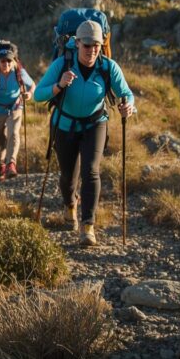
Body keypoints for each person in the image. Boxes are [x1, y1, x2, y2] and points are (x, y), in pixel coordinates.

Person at [35, 20, 135, 246]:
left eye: (96, 45)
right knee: (67, 177)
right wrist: (59, 85)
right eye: (87, 45)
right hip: (64, 125)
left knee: (91, 171)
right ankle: (70, 204)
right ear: (77, 43)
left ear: (101, 45)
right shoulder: (62, 64)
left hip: (95, 124)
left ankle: (87, 226)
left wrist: (128, 105)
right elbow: (38, 95)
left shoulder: (108, 67)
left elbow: (126, 93)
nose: (91, 50)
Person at [0, 40, 35, 181]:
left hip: (15, 107)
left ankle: (11, 164)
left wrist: (29, 94)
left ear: (13, 61)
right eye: (3, 61)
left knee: (14, 133)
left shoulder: (19, 72)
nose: (6, 64)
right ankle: (0, 165)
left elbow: (32, 85)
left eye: (9, 61)